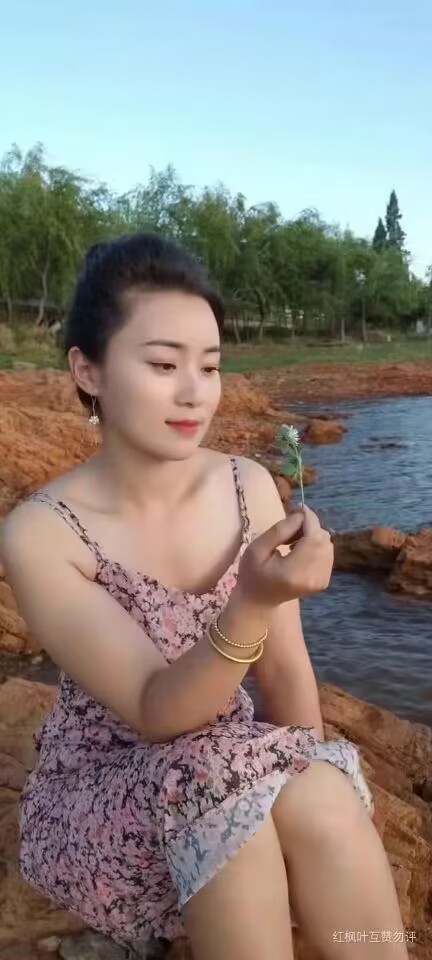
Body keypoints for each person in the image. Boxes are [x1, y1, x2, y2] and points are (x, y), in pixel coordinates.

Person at [1, 234, 408, 960]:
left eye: (211, 365)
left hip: (227, 759)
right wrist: (251, 600)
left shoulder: (248, 484)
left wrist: (306, 784)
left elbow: (284, 670)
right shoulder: (42, 532)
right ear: (88, 370)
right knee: (227, 807)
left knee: (320, 793)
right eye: (163, 365)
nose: (196, 392)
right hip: (109, 789)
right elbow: (157, 709)